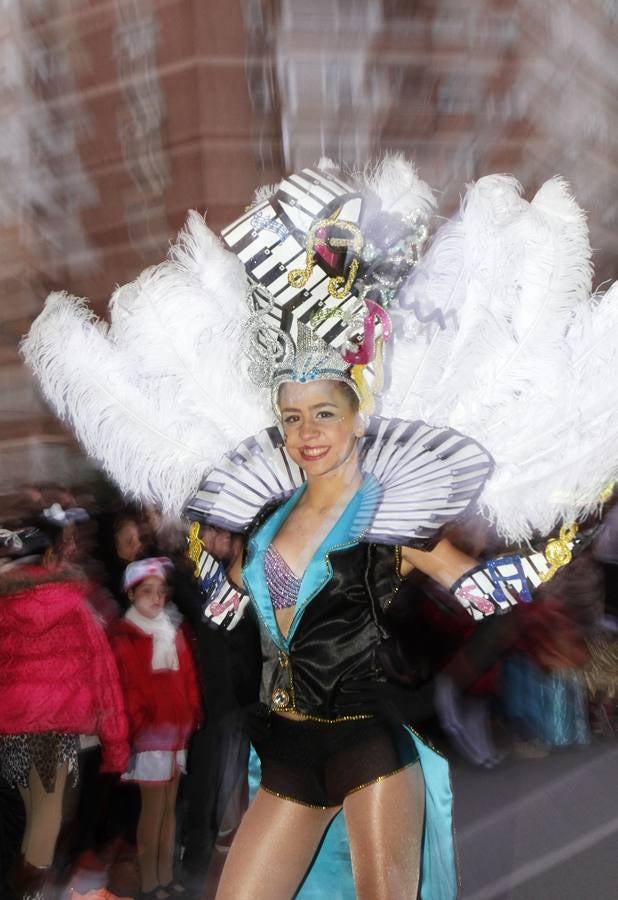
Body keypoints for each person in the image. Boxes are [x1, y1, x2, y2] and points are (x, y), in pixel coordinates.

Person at [23, 158, 618, 898]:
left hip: (366, 750)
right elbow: (236, 595)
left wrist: (568, 529)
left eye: (325, 415)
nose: (307, 433)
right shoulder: (269, 514)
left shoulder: (388, 512)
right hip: (286, 758)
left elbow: (480, 587)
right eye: (294, 416)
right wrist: (205, 552)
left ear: (356, 418)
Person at [0, 513, 129, 900]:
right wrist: (117, 743)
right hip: (56, 733)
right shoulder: (75, 603)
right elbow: (105, 673)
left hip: (11, 731)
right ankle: (29, 894)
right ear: (51, 557)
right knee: (48, 822)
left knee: (28, 821)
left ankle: (25, 890)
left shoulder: (3, 607)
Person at [110, 557, 201, 900]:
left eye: (161, 591)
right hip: (149, 737)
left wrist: (192, 712)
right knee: (152, 812)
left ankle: (165, 875)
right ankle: (149, 882)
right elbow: (129, 687)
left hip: (177, 732)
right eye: (147, 591)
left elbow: (188, 677)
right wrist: (141, 721)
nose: (156, 598)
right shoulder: (126, 636)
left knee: (169, 809)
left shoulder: (172, 629)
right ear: (131, 594)